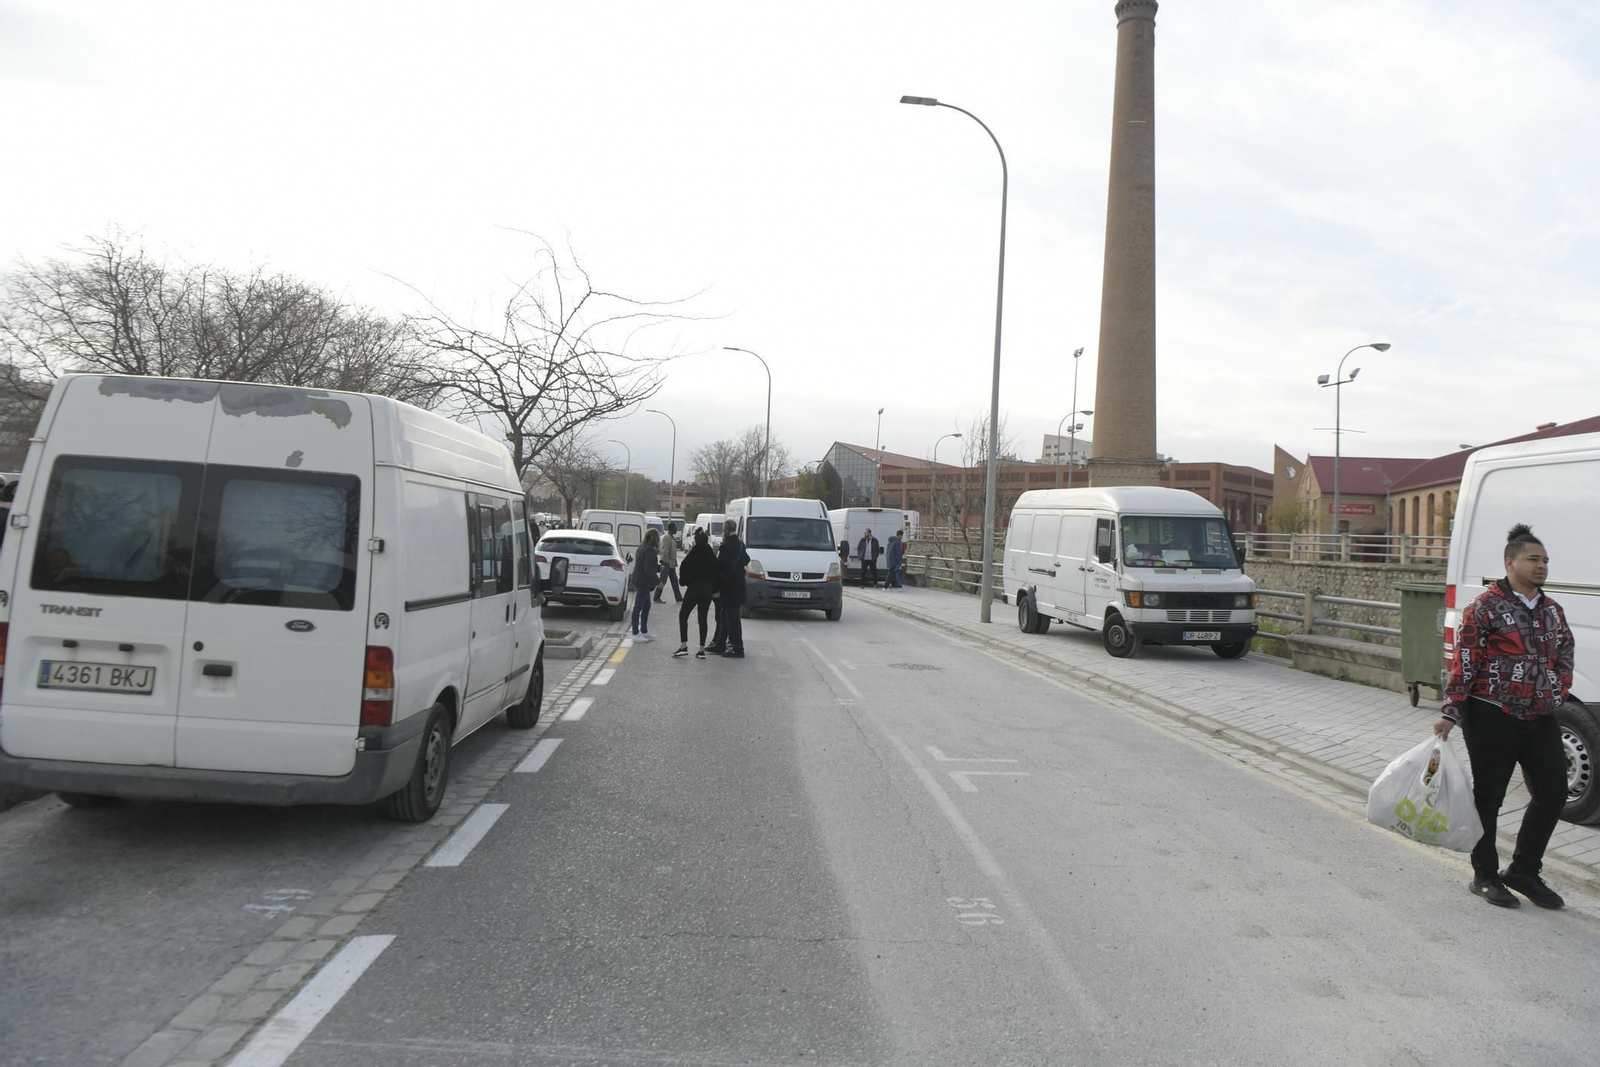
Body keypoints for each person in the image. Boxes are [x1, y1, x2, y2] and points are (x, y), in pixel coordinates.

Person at [1435, 523, 1575, 910]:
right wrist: (1451, 710)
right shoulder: (1485, 606)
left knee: (1553, 792)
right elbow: (1465, 661)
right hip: (1491, 714)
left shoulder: (1551, 609)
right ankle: (1485, 875)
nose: (1541, 566)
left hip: (1540, 716)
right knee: (1489, 798)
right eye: (1534, 559)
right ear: (1510, 562)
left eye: (1545, 560)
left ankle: (1524, 872)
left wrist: (1555, 691)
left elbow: (1564, 654)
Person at [706, 519, 751, 658]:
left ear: (725, 529)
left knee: (732, 618)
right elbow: (747, 560)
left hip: (731, 587)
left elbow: (725, 567)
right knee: (725, 615)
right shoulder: (739, 543)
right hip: (737, 585)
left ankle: (737, 648)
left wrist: (719, 579)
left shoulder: (728, 546)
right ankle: (720, 643)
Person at [673, 527, 718, 658]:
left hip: (693, 588)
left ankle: (683, 646)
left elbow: (684, 567)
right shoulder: (711, 556)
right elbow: (717, 572)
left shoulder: (693, 554)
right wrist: (713, 588)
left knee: (683, 615)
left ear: (696, 541)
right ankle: (701, 649)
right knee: (702, 619)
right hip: (707, 590)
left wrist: (685, 582)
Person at [629, 528, 662, 642]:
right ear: (654, 538)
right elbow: (647, 567)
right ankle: (635, 633)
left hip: (639, 579)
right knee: (638, 607)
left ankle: (644, 631)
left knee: (646, 606)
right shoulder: (649, 550)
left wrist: (658, 568)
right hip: (643, 581)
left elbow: (645, 564)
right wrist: (658, 582)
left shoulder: (641, 547)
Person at [654, 521, 682, 603]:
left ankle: (678, 597)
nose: (676, 530)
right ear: (671, 529)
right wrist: (665, 562)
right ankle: (656, 597)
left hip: (671, 564)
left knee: (675, 582)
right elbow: (664, 550)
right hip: (667, 564)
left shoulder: (672, 538)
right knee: (662, 581)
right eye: (675, 528)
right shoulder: (667, 538)